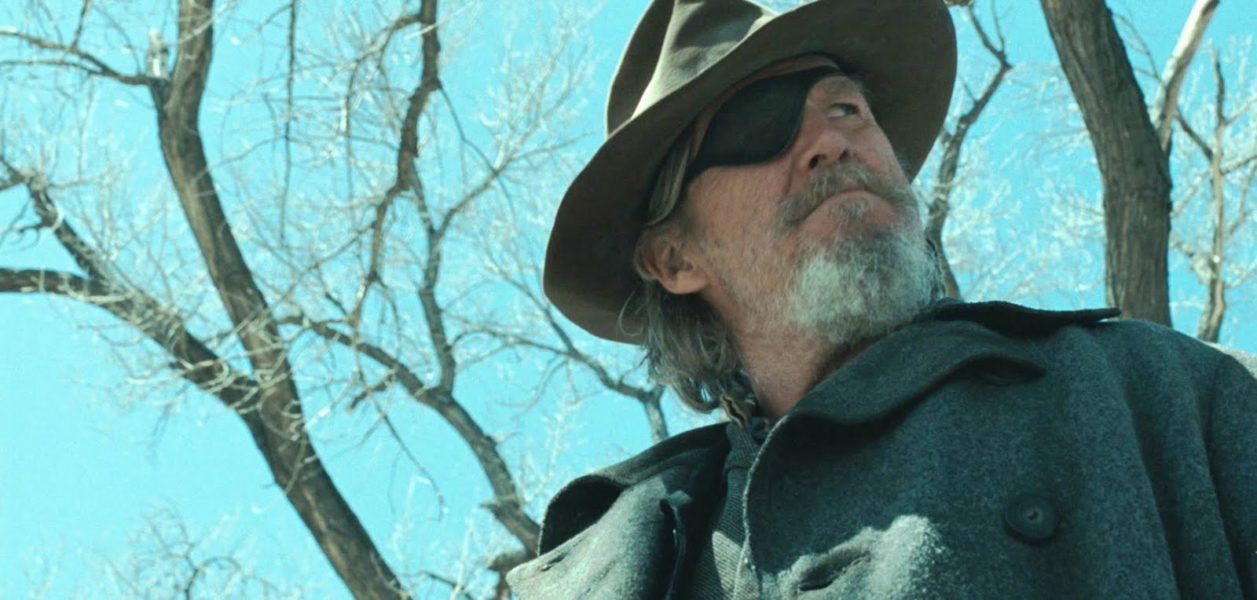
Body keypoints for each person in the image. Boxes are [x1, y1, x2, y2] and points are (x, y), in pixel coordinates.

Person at [507, 0, 1257, 598]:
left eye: (846, 109)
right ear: (674, 259)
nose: (832, 142)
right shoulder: (621, 561)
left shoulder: (1157, 392)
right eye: (757, 126)